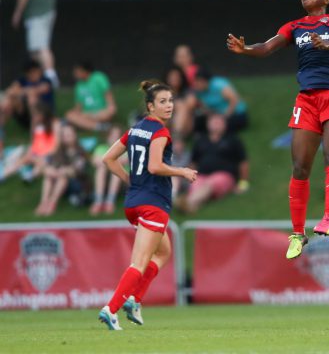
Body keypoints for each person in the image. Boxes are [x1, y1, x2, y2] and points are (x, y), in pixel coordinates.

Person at [227, 0, 329, 259]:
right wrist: (246, 50)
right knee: (299, 167)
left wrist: (328, 42)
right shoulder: (294, 26)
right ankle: (298, 234)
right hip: (306, 100)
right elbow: (268, 46)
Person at [98, 80, 197, 331]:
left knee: (163, 252)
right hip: (153, 203)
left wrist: (129, 180)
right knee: (139, 262)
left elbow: (108, 159)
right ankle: (111, 309)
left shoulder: (134, 130)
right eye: (163, 102)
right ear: (150, 106)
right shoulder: (160, 132)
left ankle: (134, 300)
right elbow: (154, 166)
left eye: (171, 101)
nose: (169, 106)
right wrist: (182, 171)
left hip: (133, 203)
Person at [179, 114, 249, 213]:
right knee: (196, 185)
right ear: (208, 124)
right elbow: (194, 162)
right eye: (213, 121)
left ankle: (189, 203)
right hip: (202, 175)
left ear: (224, 124)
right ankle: (192, 205)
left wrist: (243, 183)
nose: (216, 124)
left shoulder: (233, 140)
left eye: (219, 122)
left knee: (210, 184)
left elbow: (243, 162)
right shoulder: (201, 140)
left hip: (224, 175)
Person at [12, 0, 59, 88]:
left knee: (40, 48)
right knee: (35, 50)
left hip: (36, 13)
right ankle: (37, 77)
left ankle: (50, 78)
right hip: (48, 11)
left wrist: (18, 12)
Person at [35, 123, 88, 216]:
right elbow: (49, 166)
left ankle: (52, 203)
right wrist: (50, 170)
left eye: (69, 135)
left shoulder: (80, 152)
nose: (66, 138)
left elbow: (78, 171)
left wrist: (63, 171)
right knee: (49, 176)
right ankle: (44, 202)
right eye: (64, 135)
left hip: (77, 184)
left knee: (62, 177)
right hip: (60, 179)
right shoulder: (59, 151)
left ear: (74, 135)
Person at [0, 102, 59, 183]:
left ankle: (32, 175)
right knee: (24, 159)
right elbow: (34, 141)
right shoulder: (37, 124)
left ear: (43, 113)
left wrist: (44, 153)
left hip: (49, 153)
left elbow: (56, 145)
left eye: (36, 114)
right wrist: (33, 125)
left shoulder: (55, 124)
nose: (34, 117)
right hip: (38, 151)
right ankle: (4, 175)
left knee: (41, 161)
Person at [179, 70, 249, 135]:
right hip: (215, 114)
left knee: (221, 125)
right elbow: (201, 105)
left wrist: (224, 116)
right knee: (199, 121)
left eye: (199, 82)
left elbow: (234, 100)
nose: (197, 85)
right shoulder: (199, 90)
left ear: (205, 81)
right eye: (196, 82)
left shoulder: (218, 85)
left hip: (234, 113)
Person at [0, 60, 54, 141]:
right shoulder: (22, 80)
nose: (34, 74)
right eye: (31, 73)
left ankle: (34, 133)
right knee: (9, 100)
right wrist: (25, 91)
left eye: (35, 72)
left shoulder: (46, 80)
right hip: (24, 113)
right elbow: (9, 91)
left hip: (43, 114)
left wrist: (21, 91)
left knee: (31, 97)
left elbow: (41, 89)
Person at [65, 62, 116, 131]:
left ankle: (87, 124)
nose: (75, 74)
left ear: (85, 71)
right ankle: (99, 127)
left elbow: (110, 102)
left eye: (77, 72)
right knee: (69, 115)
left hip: (100, 112)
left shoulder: (98, 77)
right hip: (86, 114)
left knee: (110, 111)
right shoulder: (79, 85)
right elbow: (78, 107)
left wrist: (107, 111)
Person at [89, 125, 126, 215]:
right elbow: (94, 161)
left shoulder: (125, 149)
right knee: (101, 169)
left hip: (124, 181)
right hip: (105, 177)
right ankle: (99, 201)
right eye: (112, 136)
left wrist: (106, 161)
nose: (114, 139)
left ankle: (110, 201)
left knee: (115, 168)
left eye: (117, 137)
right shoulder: (101, 148)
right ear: (108, 137)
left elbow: (124, 160)